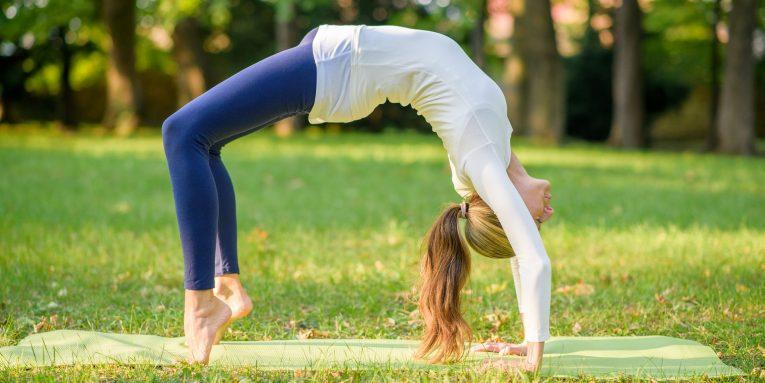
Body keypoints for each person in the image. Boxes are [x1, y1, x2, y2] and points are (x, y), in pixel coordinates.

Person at [161, 24, 554, 370]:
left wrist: (533, 354)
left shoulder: (482, 159)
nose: (546, 215)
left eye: (534, 221)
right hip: (337, 56)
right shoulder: (495, 150)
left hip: (338, 66)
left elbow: (531, 255)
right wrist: (525, 338)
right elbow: (522, 250)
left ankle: (200, 304)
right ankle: (226, 284)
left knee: (182, 133)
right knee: (205, 144)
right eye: (537, 222)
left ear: (509, 208)